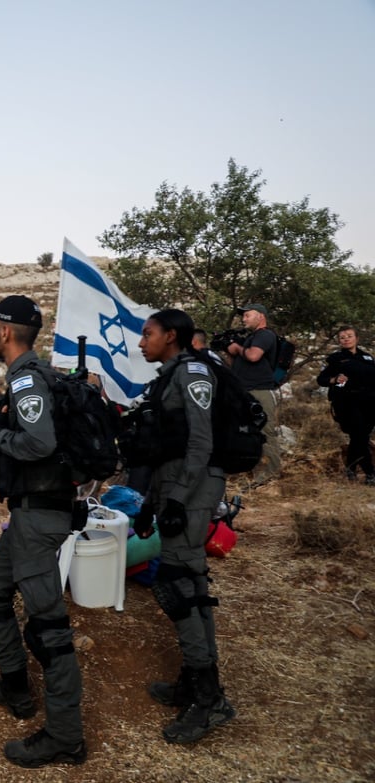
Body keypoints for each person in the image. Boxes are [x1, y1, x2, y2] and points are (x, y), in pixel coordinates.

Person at [0, 295, 86, 768]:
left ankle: (66, 736)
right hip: (28, 516)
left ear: (4, 331)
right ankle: (15, 686)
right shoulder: (36, 377)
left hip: (40, 519)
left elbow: (39, 442)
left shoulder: (27, 379)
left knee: (48, 629)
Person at [134, 308, 237, 743]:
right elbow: (165, 448)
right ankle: (192, 682)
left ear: (171, 335)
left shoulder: (193, 371)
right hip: (177, 486)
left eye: (148, 333)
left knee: (177, 583)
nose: (141, 343)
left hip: (194, 487)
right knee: (190, 582)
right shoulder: (169, 374)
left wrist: (177, 499)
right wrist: (150, 503)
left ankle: (209, 697)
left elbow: (200, 441)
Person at [225, 304, 280, 485]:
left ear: (261, 316)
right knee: (246, 432)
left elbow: (253, 356)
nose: (244, 319)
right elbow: (235, 365)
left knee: (265, 431)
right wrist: (230, 350)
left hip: (260, 391)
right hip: (245, 391)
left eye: (248, 315)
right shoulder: (250, 338)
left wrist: (238, 348)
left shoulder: (265, 335)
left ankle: (269, 474)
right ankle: (252, 470)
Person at [317, 326, 375, 484]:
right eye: (342, 337)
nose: (346, 339)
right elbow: (321, 379)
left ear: (357, 338)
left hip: (369, 403)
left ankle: (350, 467)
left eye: (349, 336)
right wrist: (334, 379)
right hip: (347, 402)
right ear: (339, 341)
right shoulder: (335, 359)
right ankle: (370, 473)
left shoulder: (367, 358)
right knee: (359, 433)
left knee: (360, 437)